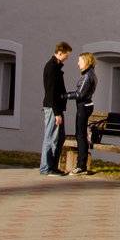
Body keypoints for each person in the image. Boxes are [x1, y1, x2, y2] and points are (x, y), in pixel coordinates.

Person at [40, 41, 71, 176]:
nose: (67, 58)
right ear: (59, 53)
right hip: (53, 108)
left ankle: (52, 166)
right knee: (51, 137)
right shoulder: (52, 67)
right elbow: (51, 92)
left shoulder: (55, 67)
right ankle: (47, 167)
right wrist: (57, 112)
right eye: (66, 55)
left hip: (55, 107)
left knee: (59, 137)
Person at [70, 52, 97, 175]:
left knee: (80, 136)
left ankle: (81, 166)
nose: (78, 63)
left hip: (83, 107)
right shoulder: (89, 74)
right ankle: (81, 165)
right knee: (80, 135)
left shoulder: (87, 76)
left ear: (86, 61)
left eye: (80, 61)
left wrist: (63, 96)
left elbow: (79, 94)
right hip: (84, 106)